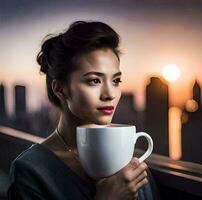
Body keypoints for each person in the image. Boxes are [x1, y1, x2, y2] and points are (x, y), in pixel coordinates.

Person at [7, 21, 156, 200]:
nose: (110, 94)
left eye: (116, 81)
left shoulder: (130, 165)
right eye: (94, 81)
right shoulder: (30, 171)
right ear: (60, 89)